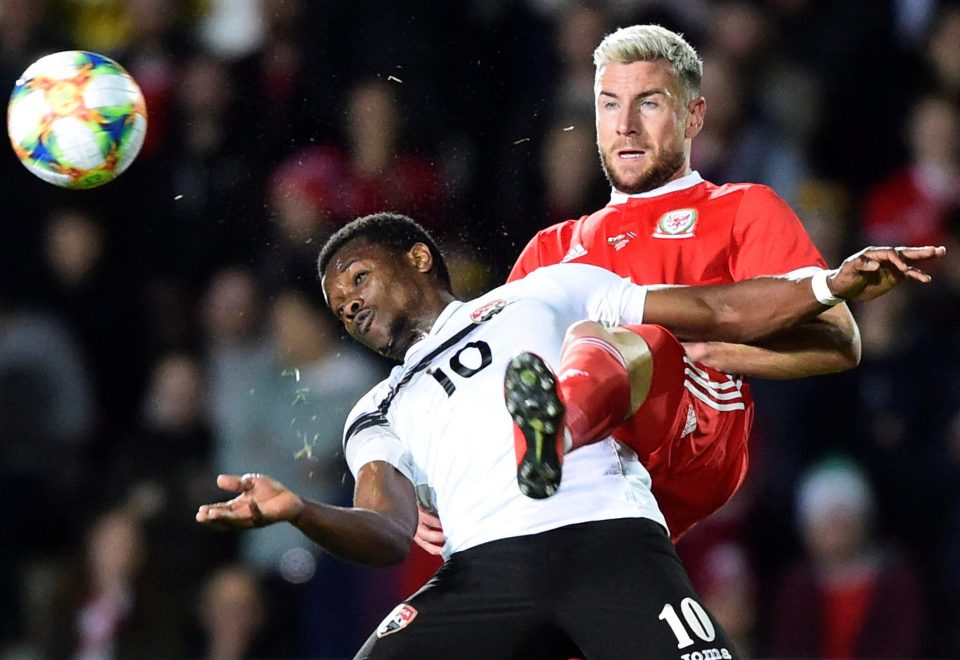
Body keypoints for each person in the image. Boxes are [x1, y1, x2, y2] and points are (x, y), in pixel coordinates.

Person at [197, 212, 940, 659]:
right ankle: (544, 435)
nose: (348, 305)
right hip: (484, 574)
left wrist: (827, 285)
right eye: (336, 303)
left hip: (607, 537)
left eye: (358, 278)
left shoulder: (540, 291)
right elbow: (388, 530)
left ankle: (555, 430)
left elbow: (710, 311)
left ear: (418, 257)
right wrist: (300, 511)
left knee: (612, 339)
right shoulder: (376, 409)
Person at [494, 23, 865, 542]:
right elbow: (505, 377)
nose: (624, 125)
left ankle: (556, 436)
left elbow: (841, 342)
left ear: (693, 117)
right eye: (608, 105)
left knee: (639, 340)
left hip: (692, 444)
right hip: (583, 485)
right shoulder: (551, 247)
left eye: (647, 103)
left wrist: (718, 352)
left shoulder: (741, 208)